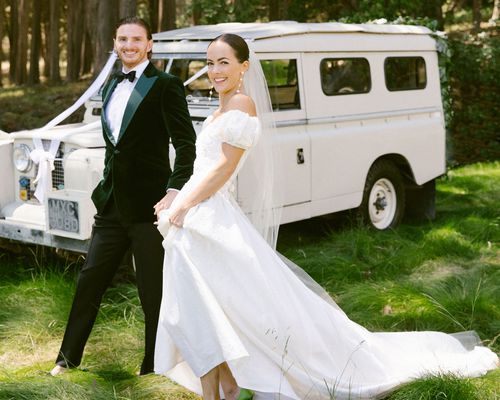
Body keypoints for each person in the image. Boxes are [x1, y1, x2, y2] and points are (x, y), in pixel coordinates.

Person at [154, 33, 498, 400]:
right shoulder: (219, 109)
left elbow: (224, 167)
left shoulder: (242, 104)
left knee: (236, 303)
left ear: (244, 66)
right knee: (207, 305)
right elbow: (202, 165)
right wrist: (175, 196)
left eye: (224, 62)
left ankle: (235, 383)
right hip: (198, 211)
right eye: (209, 62)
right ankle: (226, 385)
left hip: (209, 211)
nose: (215, 70)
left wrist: (185, 204)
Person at [50, 17, 196, 376]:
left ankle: (153, 366)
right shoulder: (112, 83)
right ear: (114, 44)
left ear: (149, 45)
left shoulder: (166, 85)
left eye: (136, 39)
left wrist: (173, 192)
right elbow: (115, 146)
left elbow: (185, 144)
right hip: (111, 205)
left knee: (152, 293)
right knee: (89, 282)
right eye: (122, 39)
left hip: (150, 207)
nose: (129, 45)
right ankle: (66, 360)